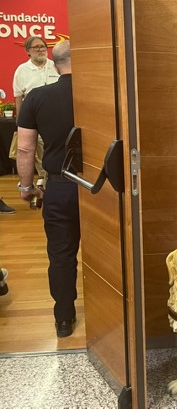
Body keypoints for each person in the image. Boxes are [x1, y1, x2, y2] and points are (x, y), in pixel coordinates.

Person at [16, 39, 80, 338]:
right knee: (111, 251)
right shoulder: (102, 93)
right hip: (102, 189)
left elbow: (26, 149)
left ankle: (64, 319)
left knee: (61, 253)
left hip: (59, 187)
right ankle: (117, 317)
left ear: (54, 65)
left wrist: (26, 186)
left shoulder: (36, 98)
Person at [13, 36, 60, 179]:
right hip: (35, 123)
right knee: (41, 159)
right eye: (36, 47)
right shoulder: (22, 70)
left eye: (43, 46)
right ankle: (45, 183)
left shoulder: (55, 65)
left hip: (57, 121)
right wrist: (21, 123)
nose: (41, 50)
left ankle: (52, 182)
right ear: (28, 51)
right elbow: (18, 97)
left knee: (56, 155)